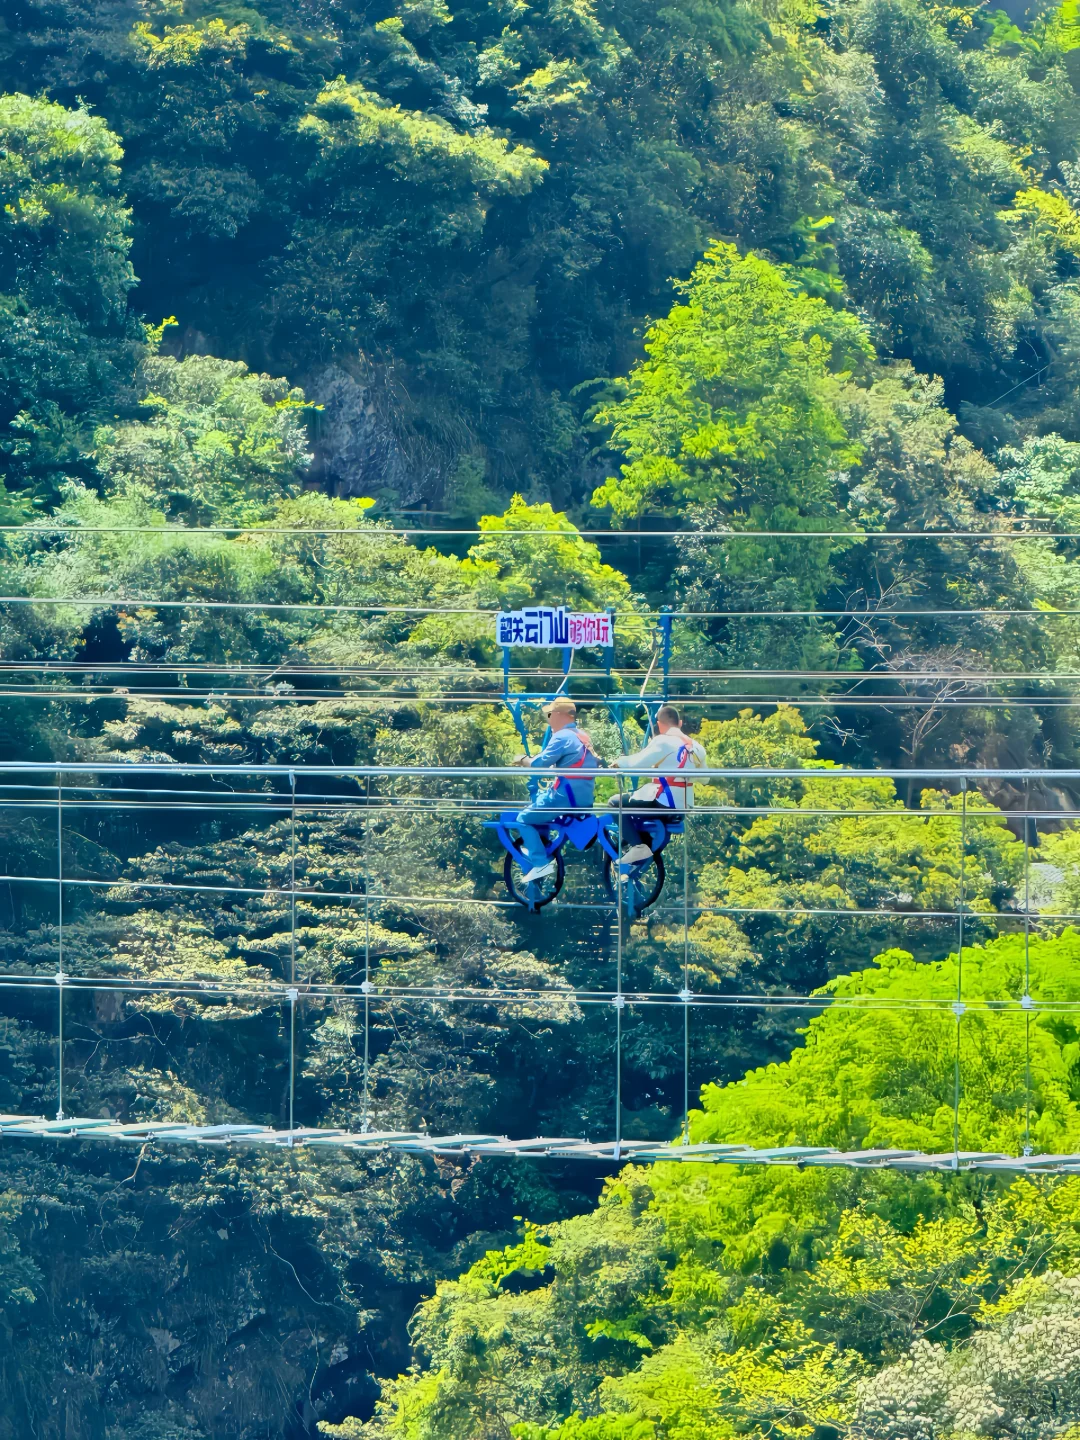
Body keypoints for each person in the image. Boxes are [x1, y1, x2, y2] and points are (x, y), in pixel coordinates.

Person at [511, 698, 598, 883]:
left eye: (550, 714)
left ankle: (540, 862)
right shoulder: (583, 736)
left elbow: (538, 763)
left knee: (523, 819)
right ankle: (541, 845)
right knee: (540, 807)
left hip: (565, 796)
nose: (549, 719)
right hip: (584, 797)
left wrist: (523, 759)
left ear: (560, 715)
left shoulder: (562, 736)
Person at [608, 705, 706, 864]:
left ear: (659, 724)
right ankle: (643, 845)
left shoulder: (662, 741)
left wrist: (618, 762)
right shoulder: (697, 747)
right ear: (679, 723)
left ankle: (639, 846)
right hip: (685, 806)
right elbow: (705, 779)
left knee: (615, 802)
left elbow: (634, 764)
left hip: (664, 804)